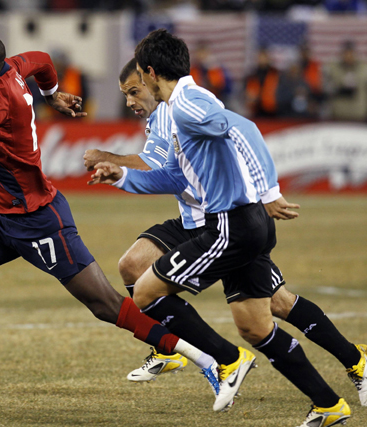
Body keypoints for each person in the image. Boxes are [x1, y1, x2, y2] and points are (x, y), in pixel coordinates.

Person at [0, 32, 223, 407]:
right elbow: (43, 60)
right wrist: (52, 95)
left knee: (106, 305)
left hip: (40, 222)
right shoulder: (14, 66)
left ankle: (203, 358)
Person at [89, 29, 358, 427]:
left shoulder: (185, 106)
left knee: (144, 290)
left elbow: (244, 129)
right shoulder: (182, 106)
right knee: (255, 325)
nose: (136, 93)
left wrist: (268, 191)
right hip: (242, 224)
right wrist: (120, 175)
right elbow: (175, 177)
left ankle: (223, 361)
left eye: (137, 84)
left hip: (233, 225)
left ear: (149, 72)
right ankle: (329, 405)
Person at [327, 40, 367, 122]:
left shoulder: (364, 69)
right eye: (346, 53)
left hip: (359, 116)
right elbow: (327, 89)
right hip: (338, 115)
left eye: (351, 52)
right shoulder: (333, 68)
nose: (348, 56)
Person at [244, 47, 280, 117]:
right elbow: (248, 90)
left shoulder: (274, 73)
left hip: (272, 107)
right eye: (260, 57)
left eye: (263, 57)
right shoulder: (253, 75)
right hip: (256, 107)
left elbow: (280, 89)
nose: (262, 59)